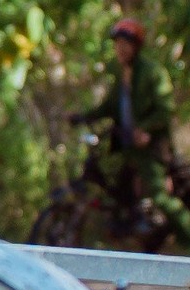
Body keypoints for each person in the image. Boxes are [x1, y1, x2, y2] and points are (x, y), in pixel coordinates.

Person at [70, 18, 185, 237]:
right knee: (118, 189)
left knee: (159, 196)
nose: (120, 49)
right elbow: (108, 108)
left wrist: (146, 129)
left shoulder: (152, 73)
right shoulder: (121, 75)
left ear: (135, 46)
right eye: (117, 44)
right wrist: (81, 118)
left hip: (150, 147)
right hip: (125, 145)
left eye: (126, 44)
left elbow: (165, 109)